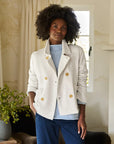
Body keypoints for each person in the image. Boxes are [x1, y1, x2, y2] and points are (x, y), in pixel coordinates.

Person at [27, 4, 88, 144]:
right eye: (55, 26)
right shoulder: (36, 56)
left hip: (70, 114)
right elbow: (32, 84)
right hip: (44, 114)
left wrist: (82, 116)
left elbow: (82, 84)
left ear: (69, 31)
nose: (58, 30)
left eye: (63, 27)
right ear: (47, 26)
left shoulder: (77, 52)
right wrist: (32, 104)